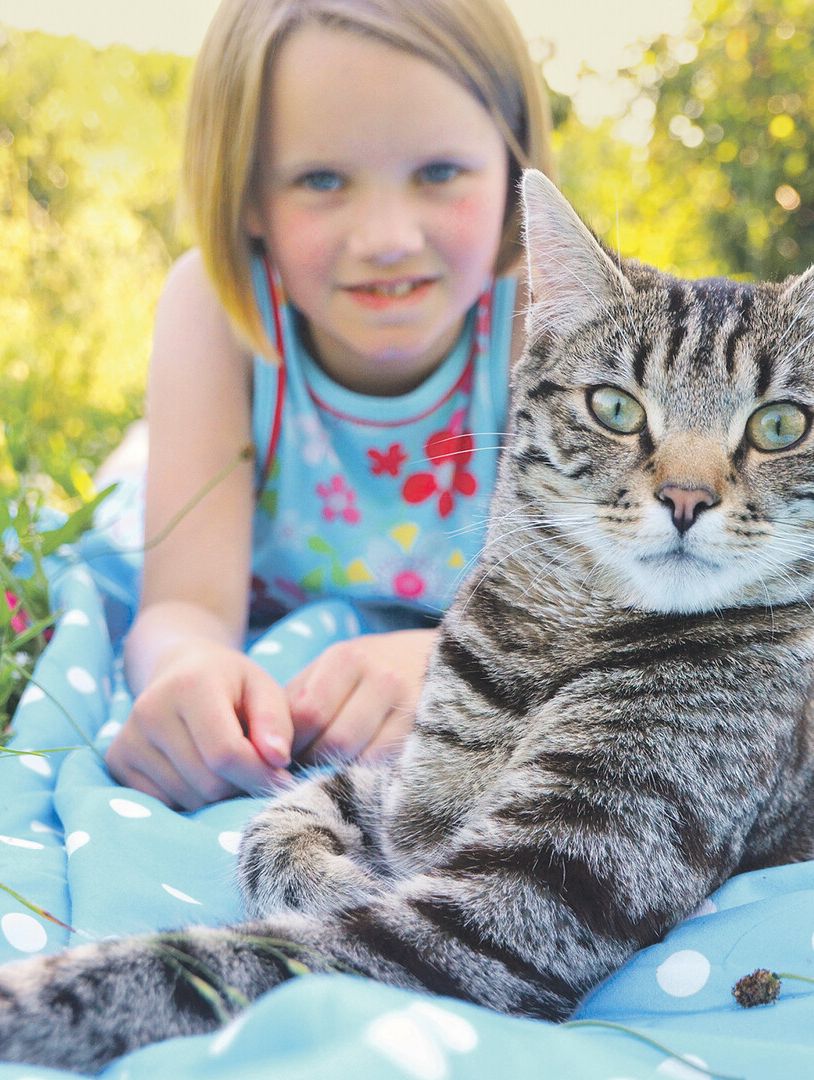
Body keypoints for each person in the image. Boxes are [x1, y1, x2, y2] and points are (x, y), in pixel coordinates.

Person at [106, 0, 554, 811]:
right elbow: (184, 605)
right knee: (129, 492)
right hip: (254, 558)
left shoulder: (545, 314)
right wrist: (187, 669)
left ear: (513, 162)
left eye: (438, 172)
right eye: (320, 180)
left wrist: (459, 663)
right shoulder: (220, 310)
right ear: (246, 192)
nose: (387, 238)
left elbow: (609, 612)